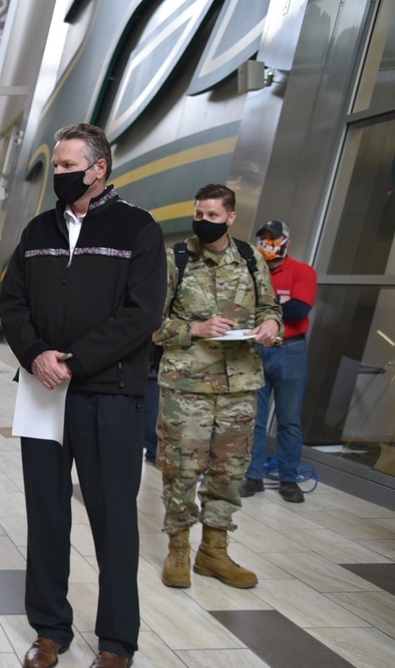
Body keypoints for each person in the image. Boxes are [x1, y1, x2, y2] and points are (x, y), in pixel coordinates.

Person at [0, 123, 166, 668]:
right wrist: (38, 353)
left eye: (70, 166)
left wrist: (76, 359)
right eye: (58, 166)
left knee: (114, 518)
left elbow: (142, 314)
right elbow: (13, 301)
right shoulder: (38, 230)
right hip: (43, 391)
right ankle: (50, 629)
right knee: (46, 514)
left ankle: (117, 640)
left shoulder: (137, 229)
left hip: (110, 395)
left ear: (99, 170)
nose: (60, 175)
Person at [154, 184, 282, 591]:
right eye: (199, 214)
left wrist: (270, 326)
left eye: (213, 215)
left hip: (240, 385)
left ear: (230, 217)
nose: (203, 221)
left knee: (230, 472)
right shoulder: (175, 258)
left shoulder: (249, 258)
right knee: (180, 469)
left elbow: (270, 307)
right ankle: (178, 548)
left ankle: (214, 550)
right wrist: (195, 328)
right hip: (186, 385)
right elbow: (150, 322)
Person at [242, 221, 317, 503]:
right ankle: (253, 476)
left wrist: (264, 309)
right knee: (254, 419)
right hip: (257, 349)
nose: (267, 244)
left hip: (290, 350)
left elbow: (299, 309)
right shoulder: (251, 272)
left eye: (273, 239)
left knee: (289, 420)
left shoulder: (302, 272)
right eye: (263, 239)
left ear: (286, 241)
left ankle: (288, 478)